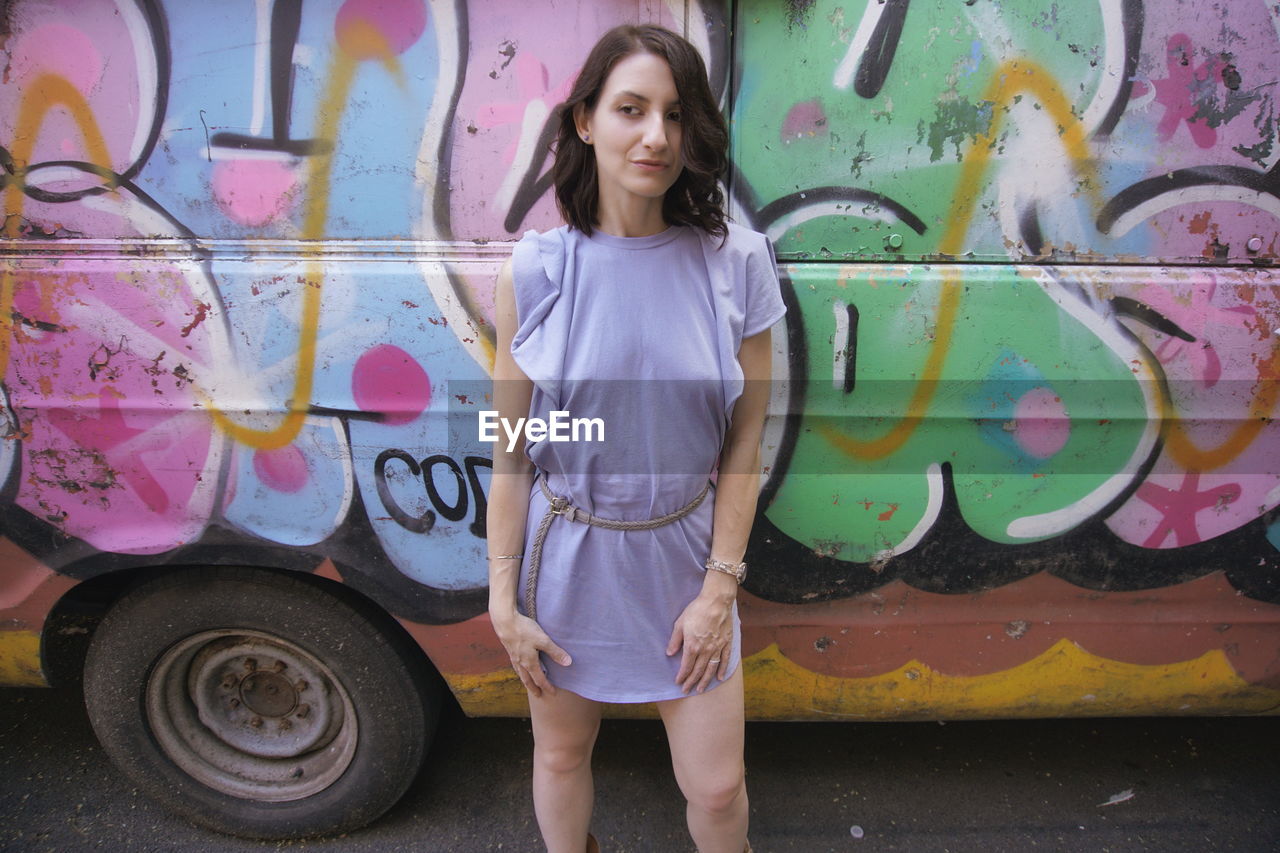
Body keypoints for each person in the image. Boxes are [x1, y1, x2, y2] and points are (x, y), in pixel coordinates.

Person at [485, 23, 786, 853]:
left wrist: (718, 591)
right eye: (631, 108)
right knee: (559, 752)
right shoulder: (537, 270)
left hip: (685, 560)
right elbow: (511, 448)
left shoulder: (737, 262)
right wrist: (501, 599)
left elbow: (745, 442)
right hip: (566, 560)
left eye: (676, 114)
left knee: (719, 786)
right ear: (585, 121)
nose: (657, 135)